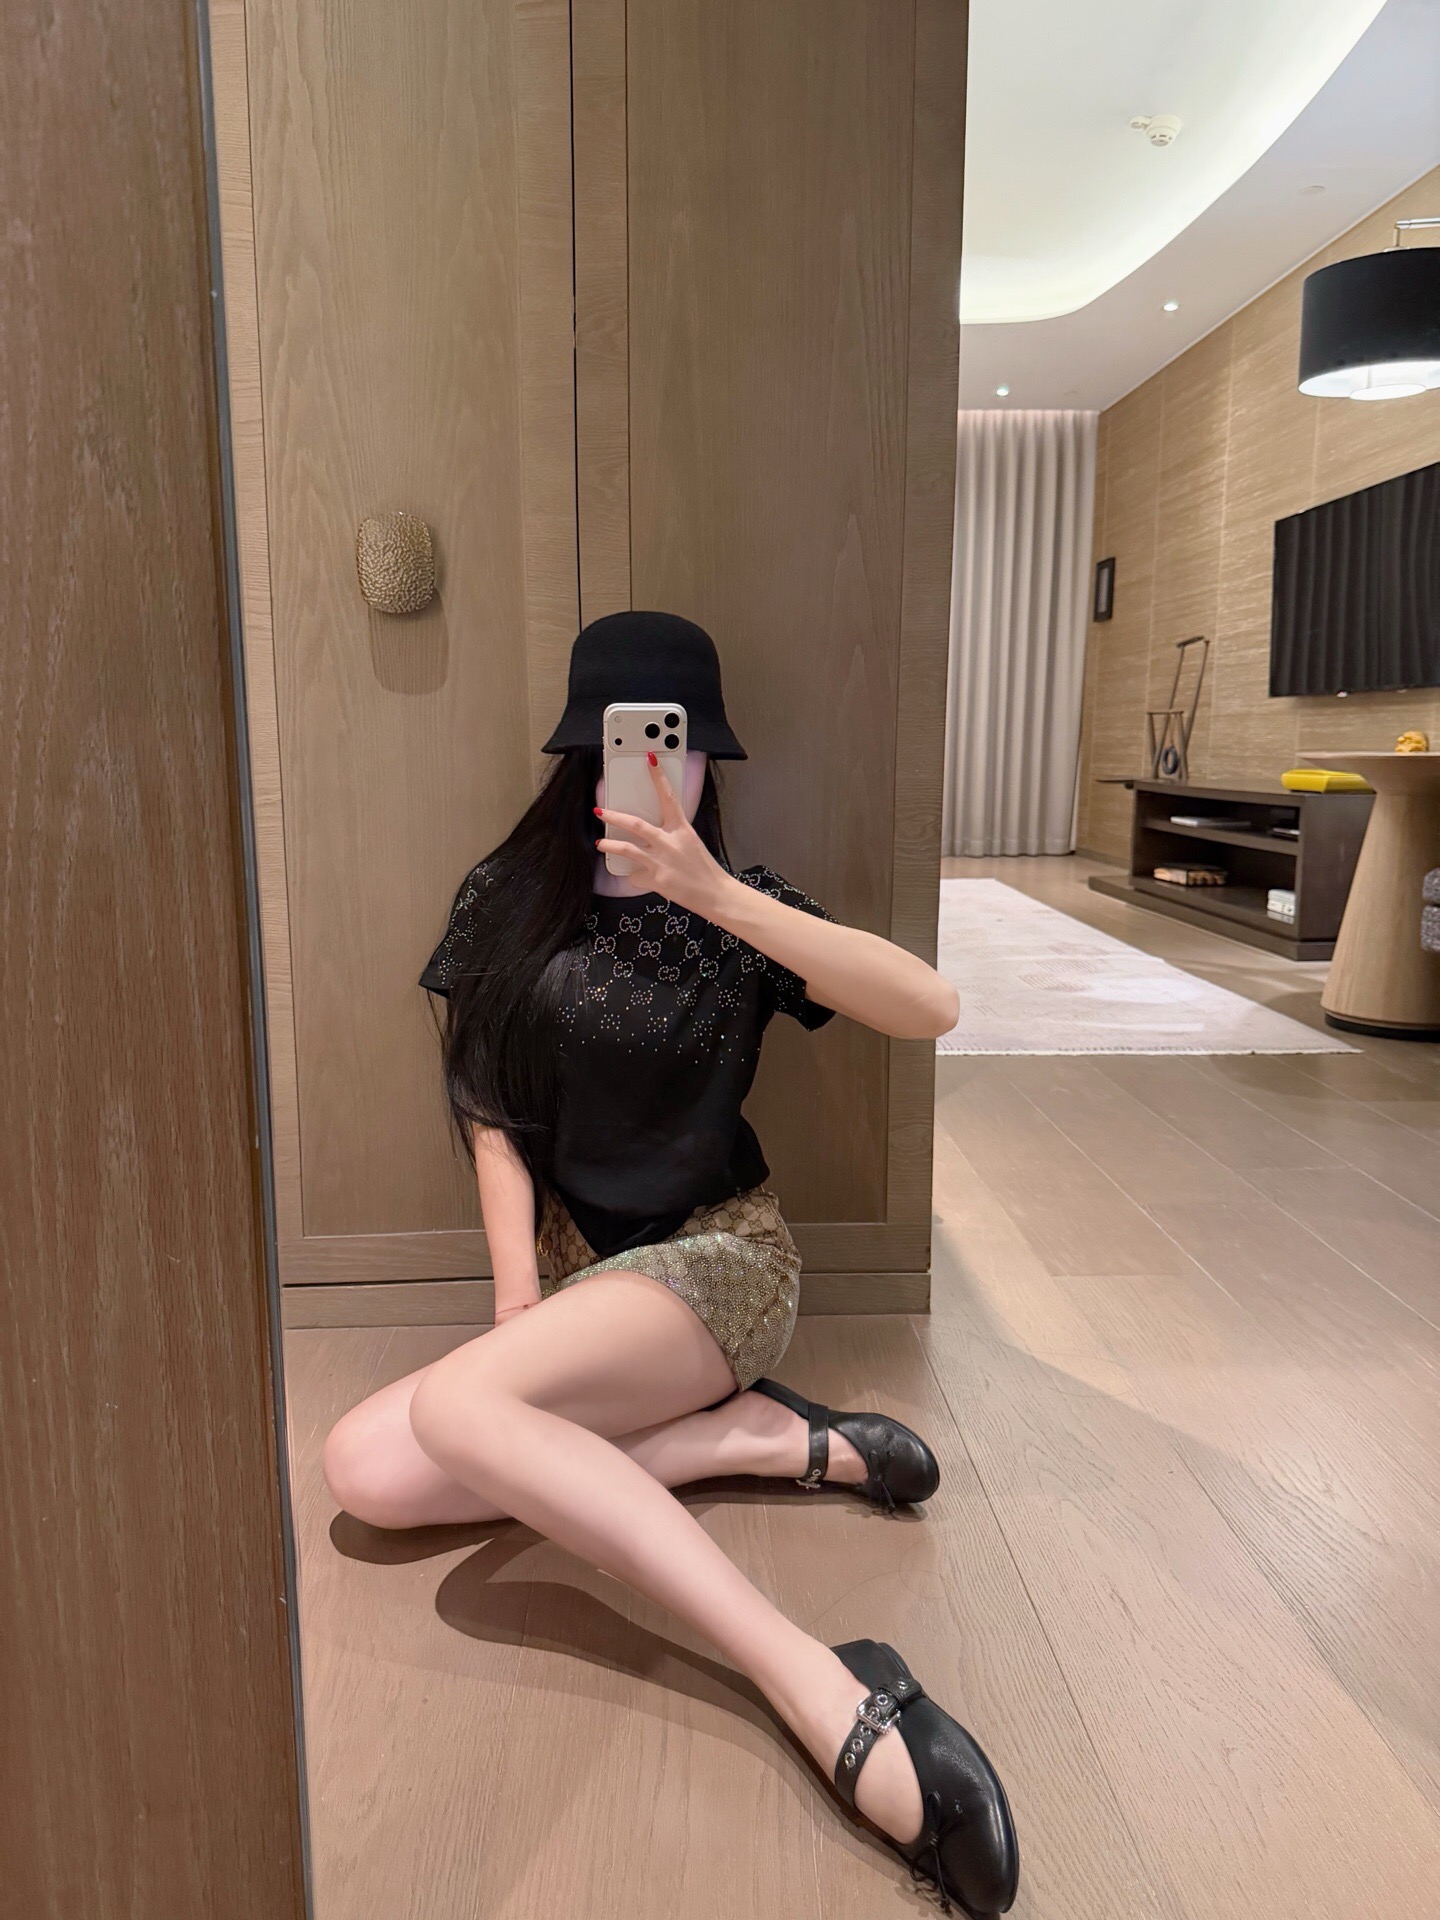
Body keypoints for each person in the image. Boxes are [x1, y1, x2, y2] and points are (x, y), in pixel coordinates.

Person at [323, 612, 1019, 1914]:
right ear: (583, 755)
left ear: (709, 758)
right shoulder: (505, 900)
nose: (657, 770)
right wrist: (516, 1302)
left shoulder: (740, 914)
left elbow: (933, 1007)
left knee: (457, 1411)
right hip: (576, 1286)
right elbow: (487, 1110)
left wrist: (719, 895)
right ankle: (730, 1443)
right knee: (363, 1469)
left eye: (680, 746)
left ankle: (817, 1682)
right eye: (628, 744)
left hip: (719, 1264)